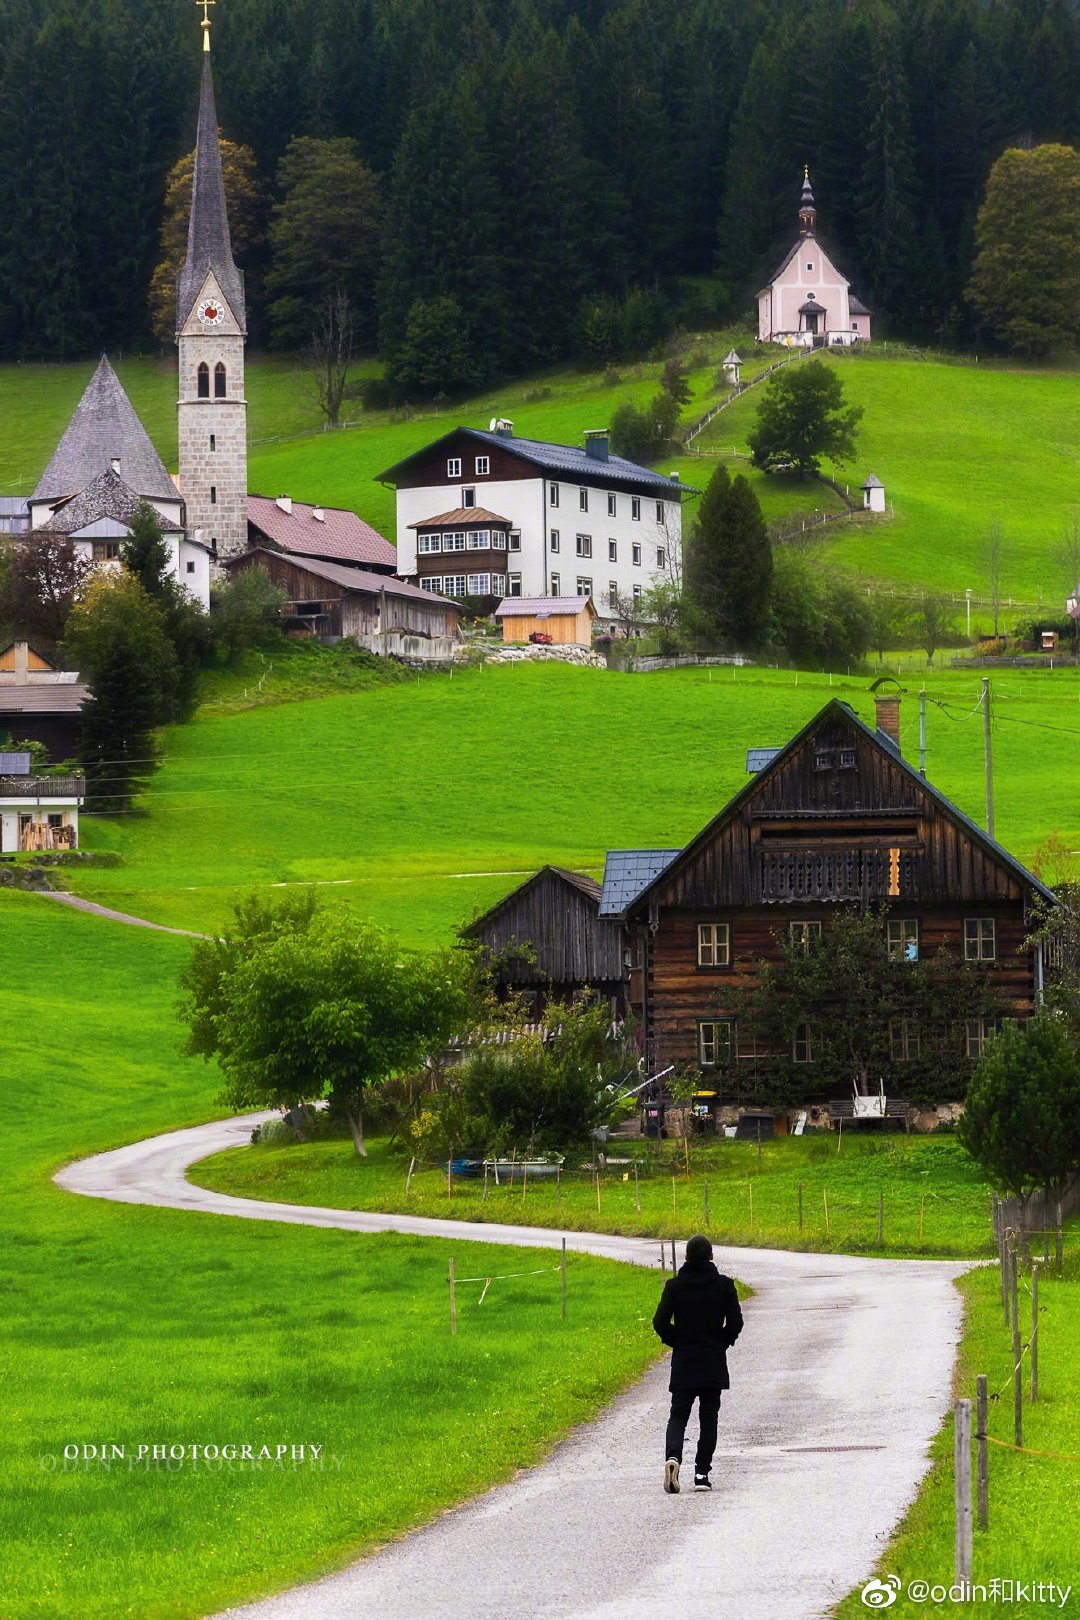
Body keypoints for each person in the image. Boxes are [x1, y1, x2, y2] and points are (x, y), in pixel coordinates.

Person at [652, 1233, 743, 1494]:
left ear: (686, 1258)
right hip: (713, 1361)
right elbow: (736, 1323)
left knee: (678, 1414)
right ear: (712, 1256)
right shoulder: (725, 1286)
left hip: (684, 1361)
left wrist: (677, 1341)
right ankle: (702, 1473)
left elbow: (659, 1322)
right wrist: (721, 1342)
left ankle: (673, 1458)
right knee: (709, 1418)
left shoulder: (674, 1287)